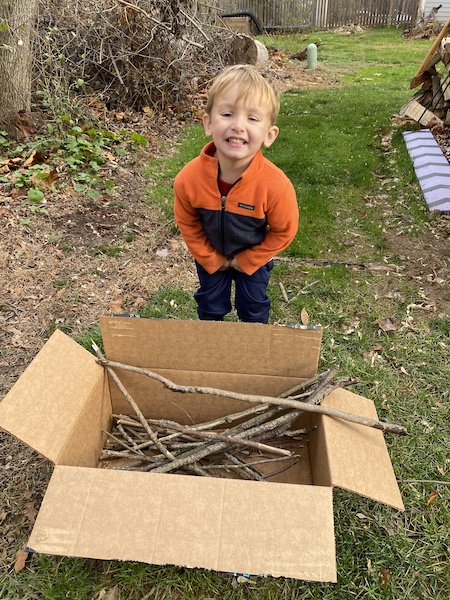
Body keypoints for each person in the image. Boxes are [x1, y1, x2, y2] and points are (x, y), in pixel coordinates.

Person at [173, 64, 299, 324]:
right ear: (208, 123)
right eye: (228, 113)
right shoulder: (189, 179)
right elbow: (187, 222)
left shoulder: (275, 185)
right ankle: (211, 348)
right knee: (210, 305)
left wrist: (248, 260)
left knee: (253, 307)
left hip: (254, 256)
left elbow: (284, 231)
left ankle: (252, 352)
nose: (238, 126)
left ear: (269, 134)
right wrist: (210, 258)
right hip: (211, 255)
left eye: (252, 118)